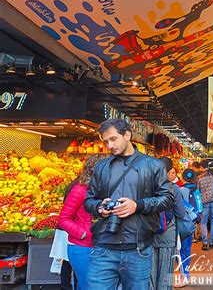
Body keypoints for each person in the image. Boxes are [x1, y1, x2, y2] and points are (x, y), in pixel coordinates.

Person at [84, 119, 174, 290]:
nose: (109, 145)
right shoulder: (101, 167)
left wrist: (137, 205)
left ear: (127, 135)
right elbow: (88, 200)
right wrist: (99, 208)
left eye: (113, 139)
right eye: (106, 141)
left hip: (137, 249)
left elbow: (167, 198)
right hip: (103, 248)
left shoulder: (153, 165)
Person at [58, 155, 102, 290]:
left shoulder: (103, 190)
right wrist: (82, 233)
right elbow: (63, 219)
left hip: (99, 246)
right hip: (81, 247)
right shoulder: (79, 190)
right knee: (88, 285)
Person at [150, 157, 186, 290]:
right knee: (165, 275)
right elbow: (181, 213)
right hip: (167, 235)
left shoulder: (145, 186)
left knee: (150, 275)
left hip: (149, 235)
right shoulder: (173, 188)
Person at [178, 169, 198, 284]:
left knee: (181, 249)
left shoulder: (181, 190)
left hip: (182, 223)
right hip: (191, 223)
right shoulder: (196, 190)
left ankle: (184, 275)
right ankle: (186, 273)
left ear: (182, 177)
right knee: (186, 249)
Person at [197, 160, 213, 251]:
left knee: (203, 222)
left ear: (202, 167)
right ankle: (212, 242)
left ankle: (205, 243)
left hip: (204, 202)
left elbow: (198, 192)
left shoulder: (199, 178)